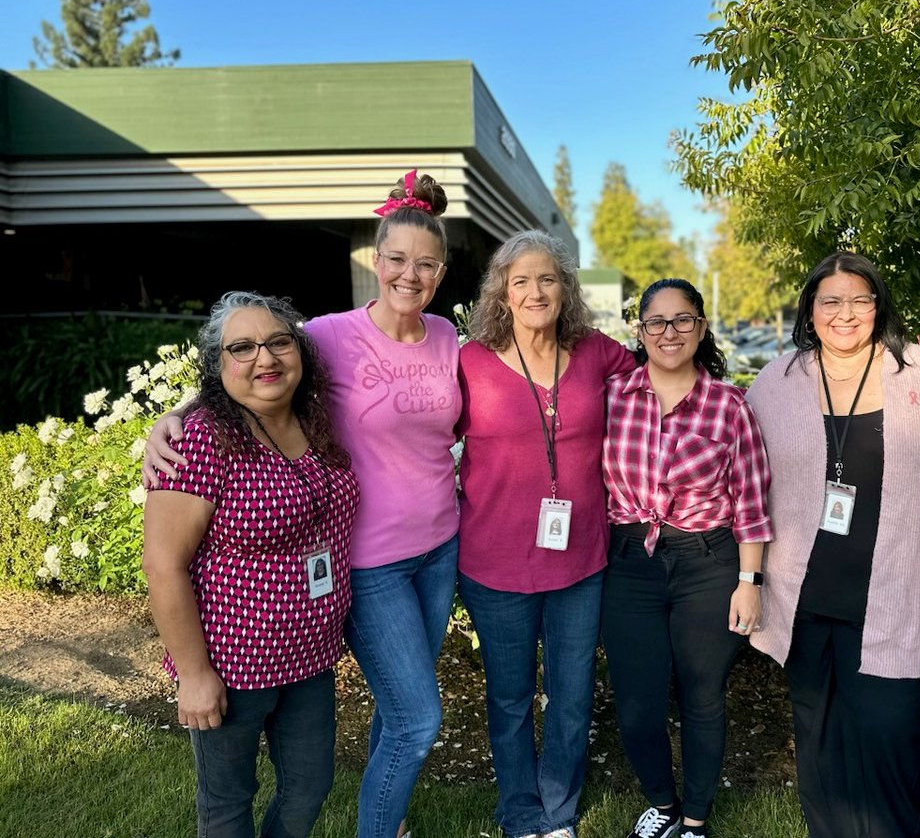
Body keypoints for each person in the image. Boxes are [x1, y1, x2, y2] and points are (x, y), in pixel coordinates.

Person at [144, 171, 462, 838]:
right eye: (397, 259)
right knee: (418, 717)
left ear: (441, 272)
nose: (410, 275)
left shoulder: (445, 337)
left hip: (437, 549)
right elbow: (251, 363)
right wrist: (174, 415)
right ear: (376, 261)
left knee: (396, 708)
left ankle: (390, 812)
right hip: (371, 562)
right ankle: (380, 827)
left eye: (427, 264)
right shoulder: (330, 334)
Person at [744, 251, 920, 838]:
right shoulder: (779, 380)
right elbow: (739, 467)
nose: (845, 313)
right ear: (810, 310)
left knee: (891, 737)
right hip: (804, 596)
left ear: (878, 305)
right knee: (817, 738)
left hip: (892, 593)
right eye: (831, 301)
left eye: (859, 300)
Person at [142, 291, 360, 837]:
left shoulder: (315, 419)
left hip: (310, 657)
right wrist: (194, 675)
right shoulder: (200, 440)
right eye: (242, 348)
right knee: (228, 802)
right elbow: (163, 564)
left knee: (309, 788)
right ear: (218, 367)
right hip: (233, 663)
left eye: (279, 342)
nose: (265, 357)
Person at [455, 230, 635, 838]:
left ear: (566, 289)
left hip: (580, 562)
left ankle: (557, 811)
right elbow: (414, 428)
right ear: (502, 293)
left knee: (572, 695)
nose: (536, 291)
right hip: (494, 564)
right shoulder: (469, 363)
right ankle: (519, 811)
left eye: (548, 279)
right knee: (509, 699)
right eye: (521, 280)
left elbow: (664, 380)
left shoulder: (595, 352)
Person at [601, 279, 772, 838]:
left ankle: (695, 819)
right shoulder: (613, 396)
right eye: (656, 321)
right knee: (637, 703)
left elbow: (751, 501)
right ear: (640, 330)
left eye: (682, 320)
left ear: (701, 328)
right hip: (630, 561)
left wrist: (749, 581)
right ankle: (662, 803)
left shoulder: (729, 405)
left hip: (708, 563)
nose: (668, 332)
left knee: (702, 696)